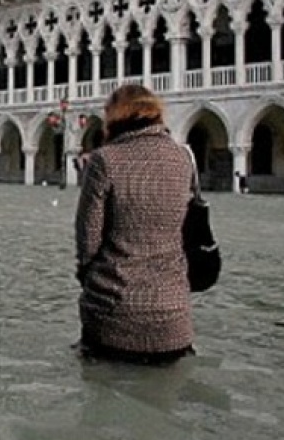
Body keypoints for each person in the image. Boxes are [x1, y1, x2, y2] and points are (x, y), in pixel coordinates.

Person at [74, 85, 195, 365]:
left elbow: (88, 239)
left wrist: (88, 279)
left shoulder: (105, 160)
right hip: (174, 321)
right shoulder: (183, 158)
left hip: (113, 316)